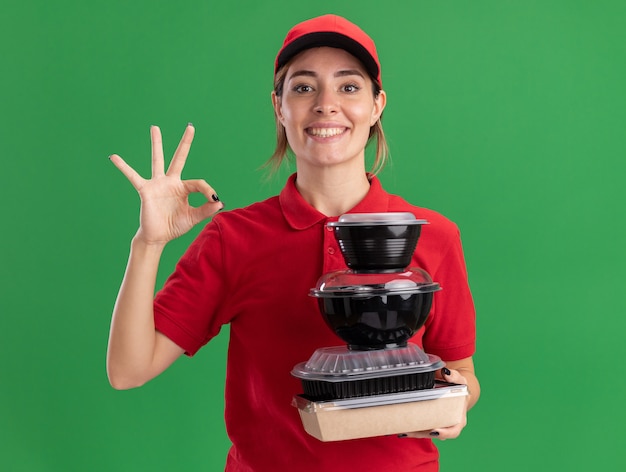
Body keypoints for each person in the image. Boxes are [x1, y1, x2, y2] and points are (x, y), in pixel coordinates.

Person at [107, 14, 480, 472]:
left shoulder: (431, 233)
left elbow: (461, 373)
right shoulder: (233, 238)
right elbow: (128, 370)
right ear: (278, 107)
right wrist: (148, 243)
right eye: (304, 87)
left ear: (377, 105)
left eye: (349, 87)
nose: (326, 104)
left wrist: (452, 405)